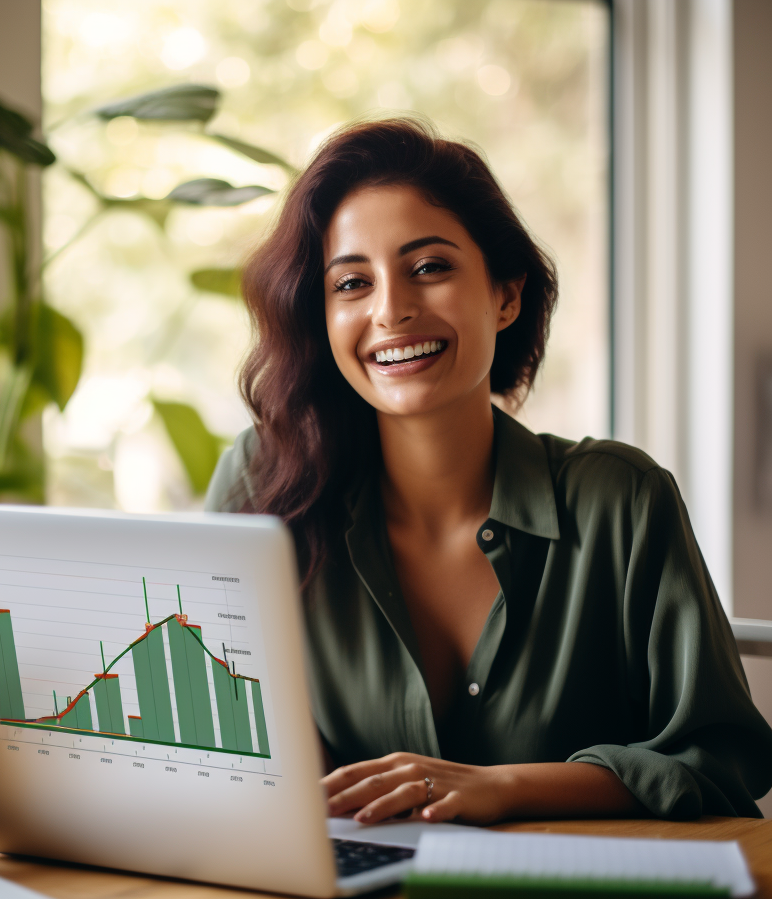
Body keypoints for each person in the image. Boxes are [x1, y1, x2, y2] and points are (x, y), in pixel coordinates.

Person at [205, 117, 772, 825]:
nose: (392, 311)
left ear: (505, 295)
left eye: (430, 268)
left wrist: (504, 788)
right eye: (351, 282)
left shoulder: (620, 501)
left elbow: (722, 763)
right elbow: (219, 760)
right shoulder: (262, 486)